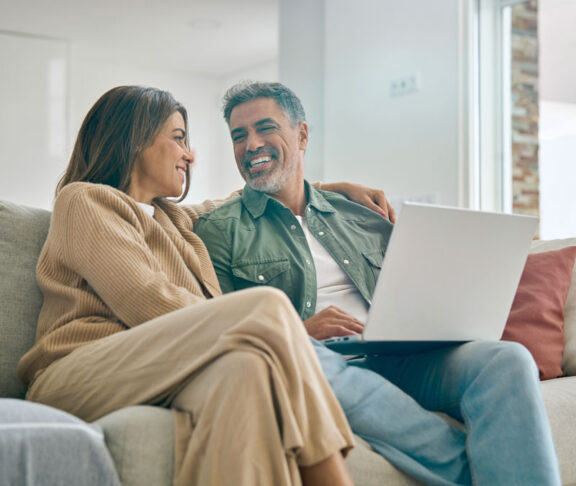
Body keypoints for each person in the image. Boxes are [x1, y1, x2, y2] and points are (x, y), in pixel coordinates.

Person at [14, 84, 395, 486]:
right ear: (135, 139)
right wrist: (280, 330)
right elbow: (146, 300)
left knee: (246, 369)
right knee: (268, 306)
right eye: (178, 139)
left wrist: (331, 190)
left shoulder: (173, 220)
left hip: (161, 366)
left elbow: (245, 198)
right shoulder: (85, 201)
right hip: (80, 371)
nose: (189, 154)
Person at [193, 81, 562, 486]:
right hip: (316, 361)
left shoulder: (362, 214)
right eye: (238, 135)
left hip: (398, 357)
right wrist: (299, 334)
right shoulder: (219, 231)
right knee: (304, 360)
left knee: (506, 359)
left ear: (302, 134)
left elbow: (413, 287)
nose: (251, 144)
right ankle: (483, 469)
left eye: (266, 128)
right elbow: (226, 331)